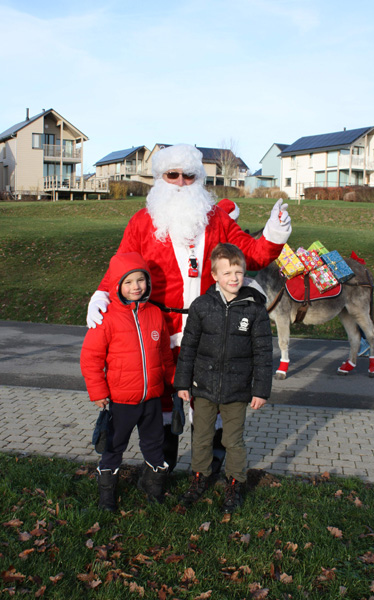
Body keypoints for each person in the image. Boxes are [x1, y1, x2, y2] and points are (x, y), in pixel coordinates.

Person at [86, 144, 291, 471]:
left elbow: (251, 255)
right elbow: (123, 266)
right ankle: (162, 465)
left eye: (189, 175)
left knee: (211, 397)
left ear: (199, 178)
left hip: (210, 325)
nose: (181, 182)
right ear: (160, 178)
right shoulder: (142, 222)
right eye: (173, 174)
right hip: (160, 326)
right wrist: (102, 293)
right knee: (163, 400)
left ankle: (209, 467)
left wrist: (273, 233)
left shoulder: (217, 219)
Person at [174, 243, 273, 513]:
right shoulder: (202, 306)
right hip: (203, 388)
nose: (234, 278)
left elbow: (263, 353)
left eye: (238, 272)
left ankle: (235, 482)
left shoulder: (255, 309)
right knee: (202, 437)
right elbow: (189, 346)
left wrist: (260, 390)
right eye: (227, 273)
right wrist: (182, 383)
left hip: (237, 391)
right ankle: (200, 477)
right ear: (215, 275)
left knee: (233, 440)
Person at [80, 252, 175, 510]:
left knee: (155, 445)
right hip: (121, 400)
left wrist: (176, 382)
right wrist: (98, 391)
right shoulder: (106, 318)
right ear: (117, 286)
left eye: (140, 280)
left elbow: (165, 354)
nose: (136, 287)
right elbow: (90, 358)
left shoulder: (155, 313)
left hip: (152, 399)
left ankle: (154, 491)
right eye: (128, 281)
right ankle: (107, 498)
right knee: (113, 447)